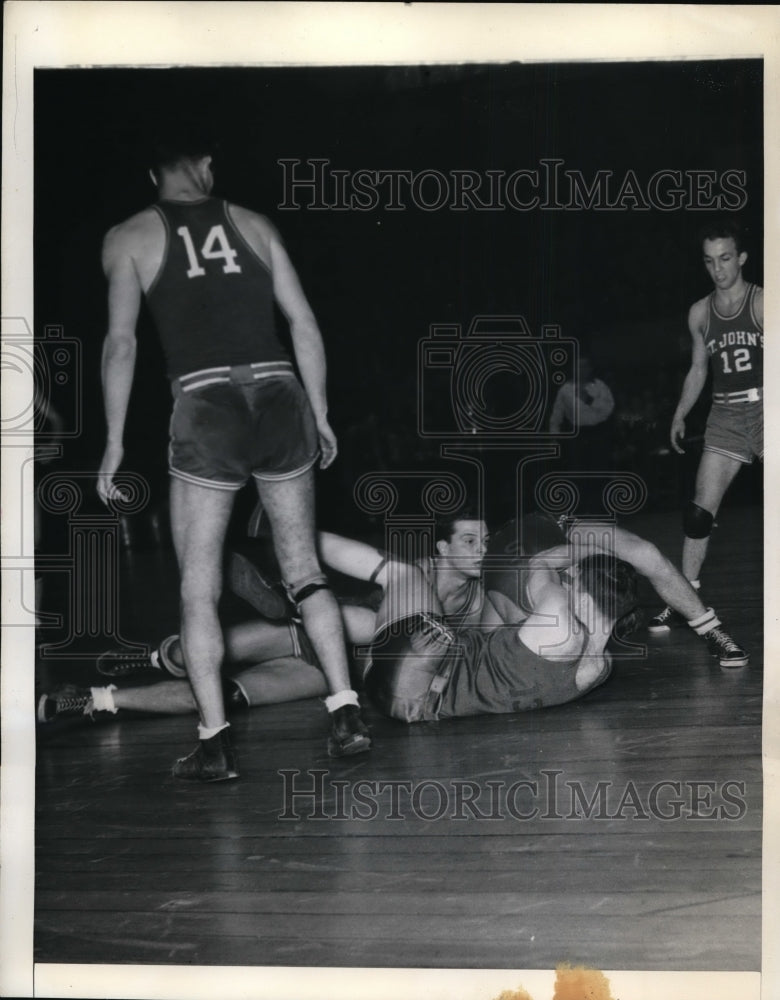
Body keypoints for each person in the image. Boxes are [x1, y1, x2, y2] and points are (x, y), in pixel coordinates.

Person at [94, 126, 369, 781]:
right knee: (305, 572)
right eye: (208, 156)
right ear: (189, 161)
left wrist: (113, 443)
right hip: (278, 392)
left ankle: (215, 744)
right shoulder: (252, 223)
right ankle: (346, 710)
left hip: (205, 401)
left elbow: (122, 346)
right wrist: (321, 411)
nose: (215, 164)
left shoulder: (128, 237)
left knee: (198, 588)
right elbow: (302, 322)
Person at [38, 513, 748, 726]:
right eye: (467, 540)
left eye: (483, 537)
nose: (483, 545)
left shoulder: (517, 602)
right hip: (380, 668)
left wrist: (567, 550)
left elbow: (523, 609)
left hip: (395, 669)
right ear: (445, 545)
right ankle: (116, 688)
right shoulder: (595, 664)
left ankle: (99, 701)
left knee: (249, 683)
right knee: (270, 659)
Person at [648, 220, 762, 634]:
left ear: (742, 258)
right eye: (710, 261)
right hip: (725, 417)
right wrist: (680, 413)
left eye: (726, 259)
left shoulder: (764, 303)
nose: (719, 269)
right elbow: (699, 369)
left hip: (768, 409)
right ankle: (685, 599)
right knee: (698, 513)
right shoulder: (699, 312)